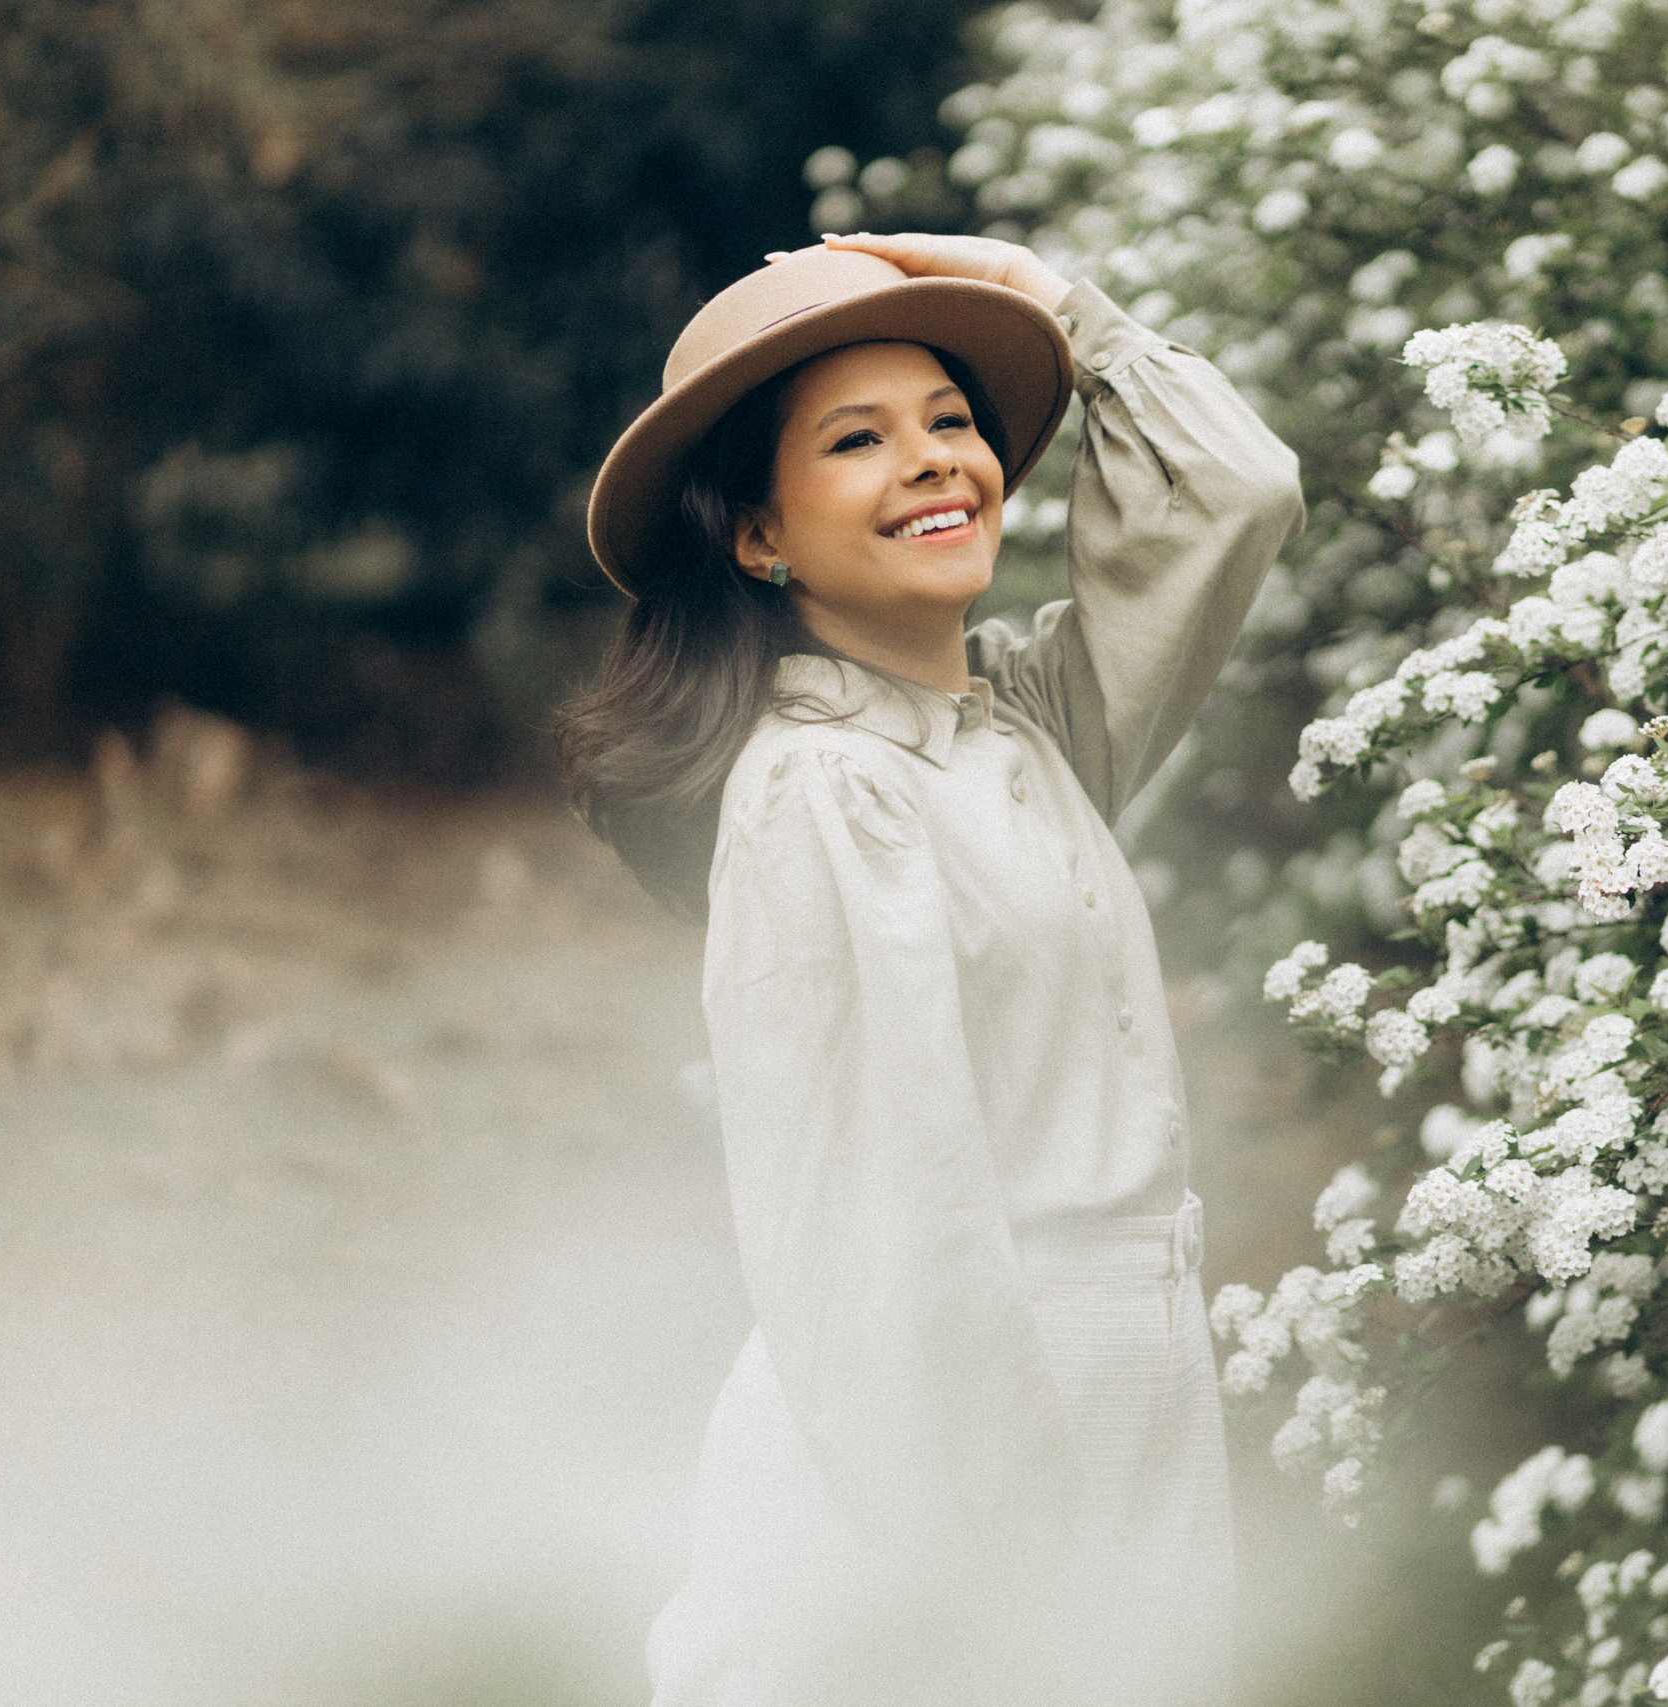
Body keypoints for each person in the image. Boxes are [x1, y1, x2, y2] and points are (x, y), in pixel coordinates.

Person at [557, 232, 1303, 1707]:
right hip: (954, 1434)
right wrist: (1001, 1551)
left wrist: (1054, 297)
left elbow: (1240, 493)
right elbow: (877, 1223)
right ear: (759, 537)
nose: (935, 463)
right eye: (857, 439)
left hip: (1128, 1390)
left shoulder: (1025, 731)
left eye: (953, 421)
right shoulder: (822, 792)